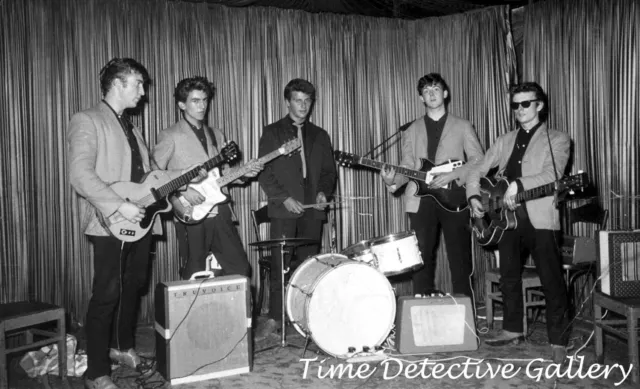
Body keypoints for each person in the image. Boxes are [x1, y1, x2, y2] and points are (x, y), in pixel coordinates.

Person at [68, 58, 156, 389]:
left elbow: (150, 177)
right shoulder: (87, 119)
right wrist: (119, 204)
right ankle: (96, 372)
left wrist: (189, 180)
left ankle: (121, 347)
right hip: (109, 222)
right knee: (106, 293)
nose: (143, 92)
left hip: (141, 222)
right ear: (117, 84)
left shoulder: (133, 129)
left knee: (133, 285)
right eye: (138, 84)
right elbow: (79, 174)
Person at [467, 82, 571, 363]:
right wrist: (474, 195)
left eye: (526, 103)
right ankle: (512, 328)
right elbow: (477, 168)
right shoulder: (505, 140)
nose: (520, 110)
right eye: (515, 105)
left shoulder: (558, 139)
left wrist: (518, 185)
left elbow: (553, 175)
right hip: (505, 220)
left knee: (551, 280)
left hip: (540, 220)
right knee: (509, 277)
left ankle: (558, 339)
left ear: (540, 105)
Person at [381, 73, 484, 298]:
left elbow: (479, 160)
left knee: (460, 258)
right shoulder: (410, 129)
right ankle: (422, 310)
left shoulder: (463, 125)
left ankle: (465, 313)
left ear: (445, 94)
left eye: (436, 89)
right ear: (421, 98)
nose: (431, 94)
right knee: (420, 259)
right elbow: (407, 165)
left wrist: (454, 175)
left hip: (454, 195)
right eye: (426, 91)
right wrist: (392, 180)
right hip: (420, 199)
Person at [152, 76, 262, 280]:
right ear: (181, 104)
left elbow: (224, 173)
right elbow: (154, 174)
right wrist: (181, 191)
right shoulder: (170, 135)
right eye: (195, 101)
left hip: (220, 210)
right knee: (194, 273)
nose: (202, 106)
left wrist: (243, 173)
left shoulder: (216, 134)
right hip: (190, 212)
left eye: (205, 100)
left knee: (240, 269)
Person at [256, 78, 337, 336]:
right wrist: (283, 198)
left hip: (313, 211)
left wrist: (324, 192)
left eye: (307, 101)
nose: (303, 106)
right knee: (281, 264)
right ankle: (275, 316)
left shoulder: (320, 135)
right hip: (283, 209)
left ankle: (305, 314)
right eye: (298, 100)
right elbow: (264, 174)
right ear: (287, 101)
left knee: (308, 265)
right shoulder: (272, 132)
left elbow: (328, 172)